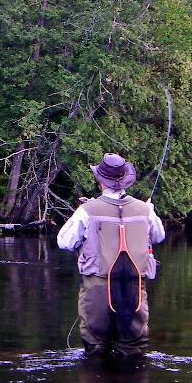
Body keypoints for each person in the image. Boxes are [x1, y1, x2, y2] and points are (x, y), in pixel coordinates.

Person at [57, 153, 165, 357]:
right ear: (125, 180)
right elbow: (159, 236)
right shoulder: (145, 210)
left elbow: (64, 242)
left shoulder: (86, 210)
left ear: (100, 181)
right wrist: (149, 210)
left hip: (97, 287)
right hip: (134, 287)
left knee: (95, 348)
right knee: (133, 349)